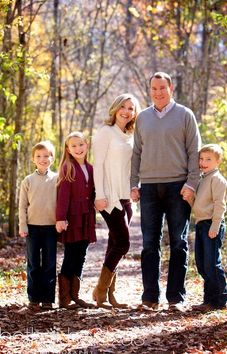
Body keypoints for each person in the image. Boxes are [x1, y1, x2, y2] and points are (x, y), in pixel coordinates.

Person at [131, 72, 201, 311]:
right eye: (154, 88)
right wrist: (134, 183)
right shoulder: (142, 118)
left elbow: (194, 151)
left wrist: (192, 183)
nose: (158, 92)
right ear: (150, 90)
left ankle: (176, 298)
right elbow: (136, 153)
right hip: (149, 187)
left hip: (178, 186)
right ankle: (150, 297)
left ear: (170, 88)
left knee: (178, 242)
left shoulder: (184, 115)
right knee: (149, 244)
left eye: (162, 87)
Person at [92, 93, 141, 309]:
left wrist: (134, 188)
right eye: (123, 106)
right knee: (123, 243)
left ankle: (110, 295)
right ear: (115, 108)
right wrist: (99, 195)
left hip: (126, 197)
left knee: (115, 243)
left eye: (131, 108)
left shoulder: (131, 135)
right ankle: (100, 291)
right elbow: (98, 165)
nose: (127, 111)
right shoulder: (105, 132)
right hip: (109, 196)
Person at [56, 131, 96, 309]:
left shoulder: (91, 168)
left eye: (81, 144)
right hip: (72, 217)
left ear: (87, 145)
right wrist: (61, 218)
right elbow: (63, 196)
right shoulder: (68, 167)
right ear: (67, 149)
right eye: (73, 146)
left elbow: (93, 192)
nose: (78, 148)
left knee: (81, 254)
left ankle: (75, 295)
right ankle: (64, 299)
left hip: (87, 216)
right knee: (71, 254)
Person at [19, 140, 58, 311]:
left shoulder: (57, 179)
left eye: (46, 156)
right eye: (39, 156)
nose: (43, 159)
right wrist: (23, 226)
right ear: (33, 159)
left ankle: (48, 299)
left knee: (49, 263)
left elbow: (62, 204)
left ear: (52, 158)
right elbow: (22, 206)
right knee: (34, 263)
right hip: (32, 227)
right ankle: (34, 298)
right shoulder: (27, 181)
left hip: (51, 227)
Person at [191, 144, 227, 311]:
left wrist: (215, 226)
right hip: (201, 224)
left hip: (211, 225)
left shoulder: (217, 179)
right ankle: (209, 299)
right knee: (202, 264)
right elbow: (198, 205)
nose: (203, 162)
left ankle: (220, 299)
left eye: (208, 159)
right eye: (201, 158)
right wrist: (189, 199)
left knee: (212, 264)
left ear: (218, 161)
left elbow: (219, 205)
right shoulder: (203, 179)